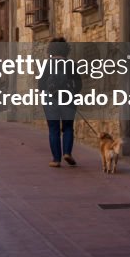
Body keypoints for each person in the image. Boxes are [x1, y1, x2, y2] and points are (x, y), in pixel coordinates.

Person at [39, 37, 82, 167]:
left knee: (53, 129)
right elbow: (79, 85)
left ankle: (56, 159)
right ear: (65, 50)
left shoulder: (47, 65)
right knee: (68, 127)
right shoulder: (71, 64)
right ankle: (67, 152)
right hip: (68, 100)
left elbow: (40, 85)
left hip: (50, 101)